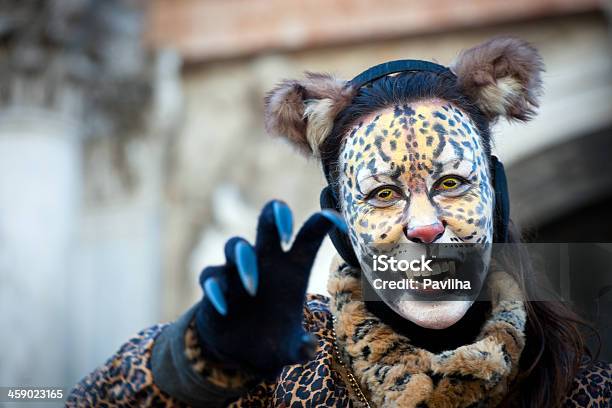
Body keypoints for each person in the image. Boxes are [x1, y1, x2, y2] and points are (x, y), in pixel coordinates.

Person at [67, 37, 611, 407]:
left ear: (496, 197)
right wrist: (197, 366)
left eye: (450, 184)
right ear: (343, 224)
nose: (424, 226)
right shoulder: (280, 373)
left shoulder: (585, 392)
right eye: (380, 194)